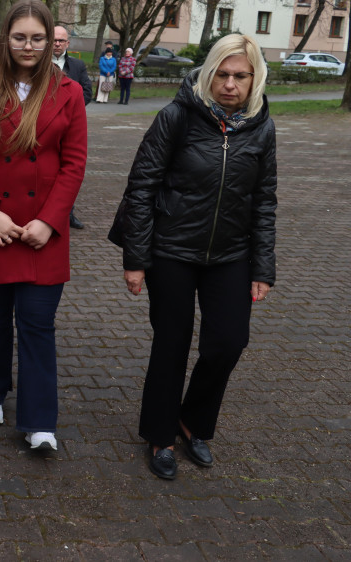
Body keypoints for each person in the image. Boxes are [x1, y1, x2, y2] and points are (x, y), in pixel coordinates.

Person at [109, 33, 276, 480]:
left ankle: (192, 421)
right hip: (172, 250)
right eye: (221, 74)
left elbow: (264, 200)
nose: (229, 84)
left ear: (254, 77)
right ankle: (160, 435)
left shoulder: (262, 126)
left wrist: (263, 267)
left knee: (228, 343)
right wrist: (136, 257)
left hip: (231, 253)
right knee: (172, 343)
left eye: (240, 76)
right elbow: (141, 188)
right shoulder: (177, 117)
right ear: (207, 74)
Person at [0, 0, 87, 452]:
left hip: (41, 229)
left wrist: (50, 221)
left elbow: (74, 163)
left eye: (38, 38)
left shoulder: (69, 91)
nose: (29, 46)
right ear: (6, 38)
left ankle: (39, 420)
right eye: (20, 37)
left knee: (36, 321)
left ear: (51, 41)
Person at [52, 25, 92, 230]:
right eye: (54, 40)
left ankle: (68, 212)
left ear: (68, 43)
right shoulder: (39, 65)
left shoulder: (77, 65)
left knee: (69, 167)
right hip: (44, 125)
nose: (57, 44)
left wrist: (70, 110)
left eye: (61, 40)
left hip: (68, 126)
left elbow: (87, 91)